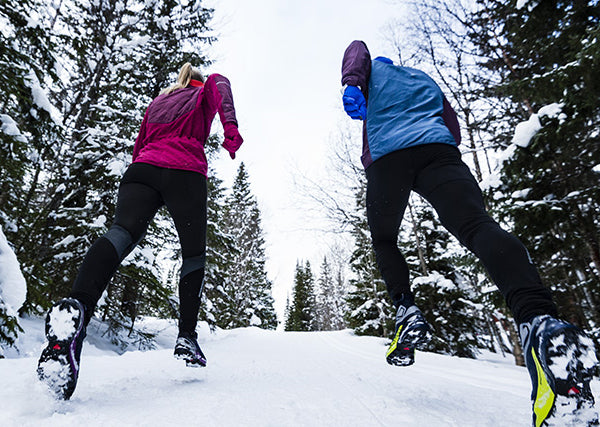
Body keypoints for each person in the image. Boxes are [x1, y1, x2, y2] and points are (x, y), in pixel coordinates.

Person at [341, 40, 598, 426]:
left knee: (384, 239)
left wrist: (351, 83)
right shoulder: (423, 78)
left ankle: (405, 307)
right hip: (439, 152)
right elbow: (454, 128)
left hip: (388, 157)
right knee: (479, 226)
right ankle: (541, 323)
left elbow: (356, 48)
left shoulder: (371, 71)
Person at [37, 63, 243, 400]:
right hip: (185, 172)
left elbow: (139, 145)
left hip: (141, 170)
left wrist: (139, 177)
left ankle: (78, 309)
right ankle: (186, 337)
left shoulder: (157, 104)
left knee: (120, 233)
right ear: (197, 82)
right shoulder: (202, 92)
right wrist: (230, 125)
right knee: (193, 254)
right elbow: (221, 80)